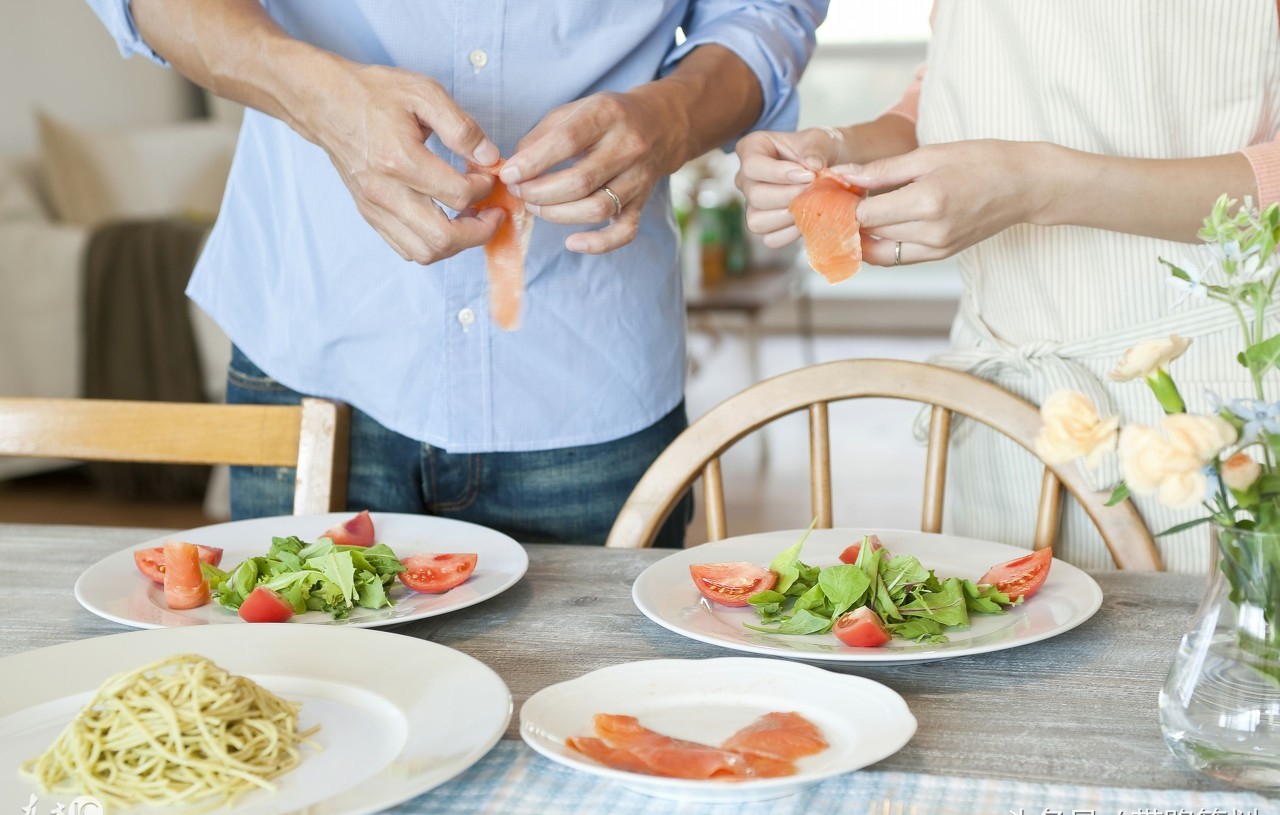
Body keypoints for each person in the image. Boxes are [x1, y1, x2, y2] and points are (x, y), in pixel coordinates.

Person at [86, 0, 829, 546]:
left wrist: (670, 115)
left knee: (599, 732)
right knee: (309, 727)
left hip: (586, 373)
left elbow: (766, 11)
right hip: (315, 347)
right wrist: (322, 99)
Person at [736, 1, 1280, 574]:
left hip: (1209, 394)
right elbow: (954, 91)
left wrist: (1037, 187)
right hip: (1008, 406)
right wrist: (840, 148)